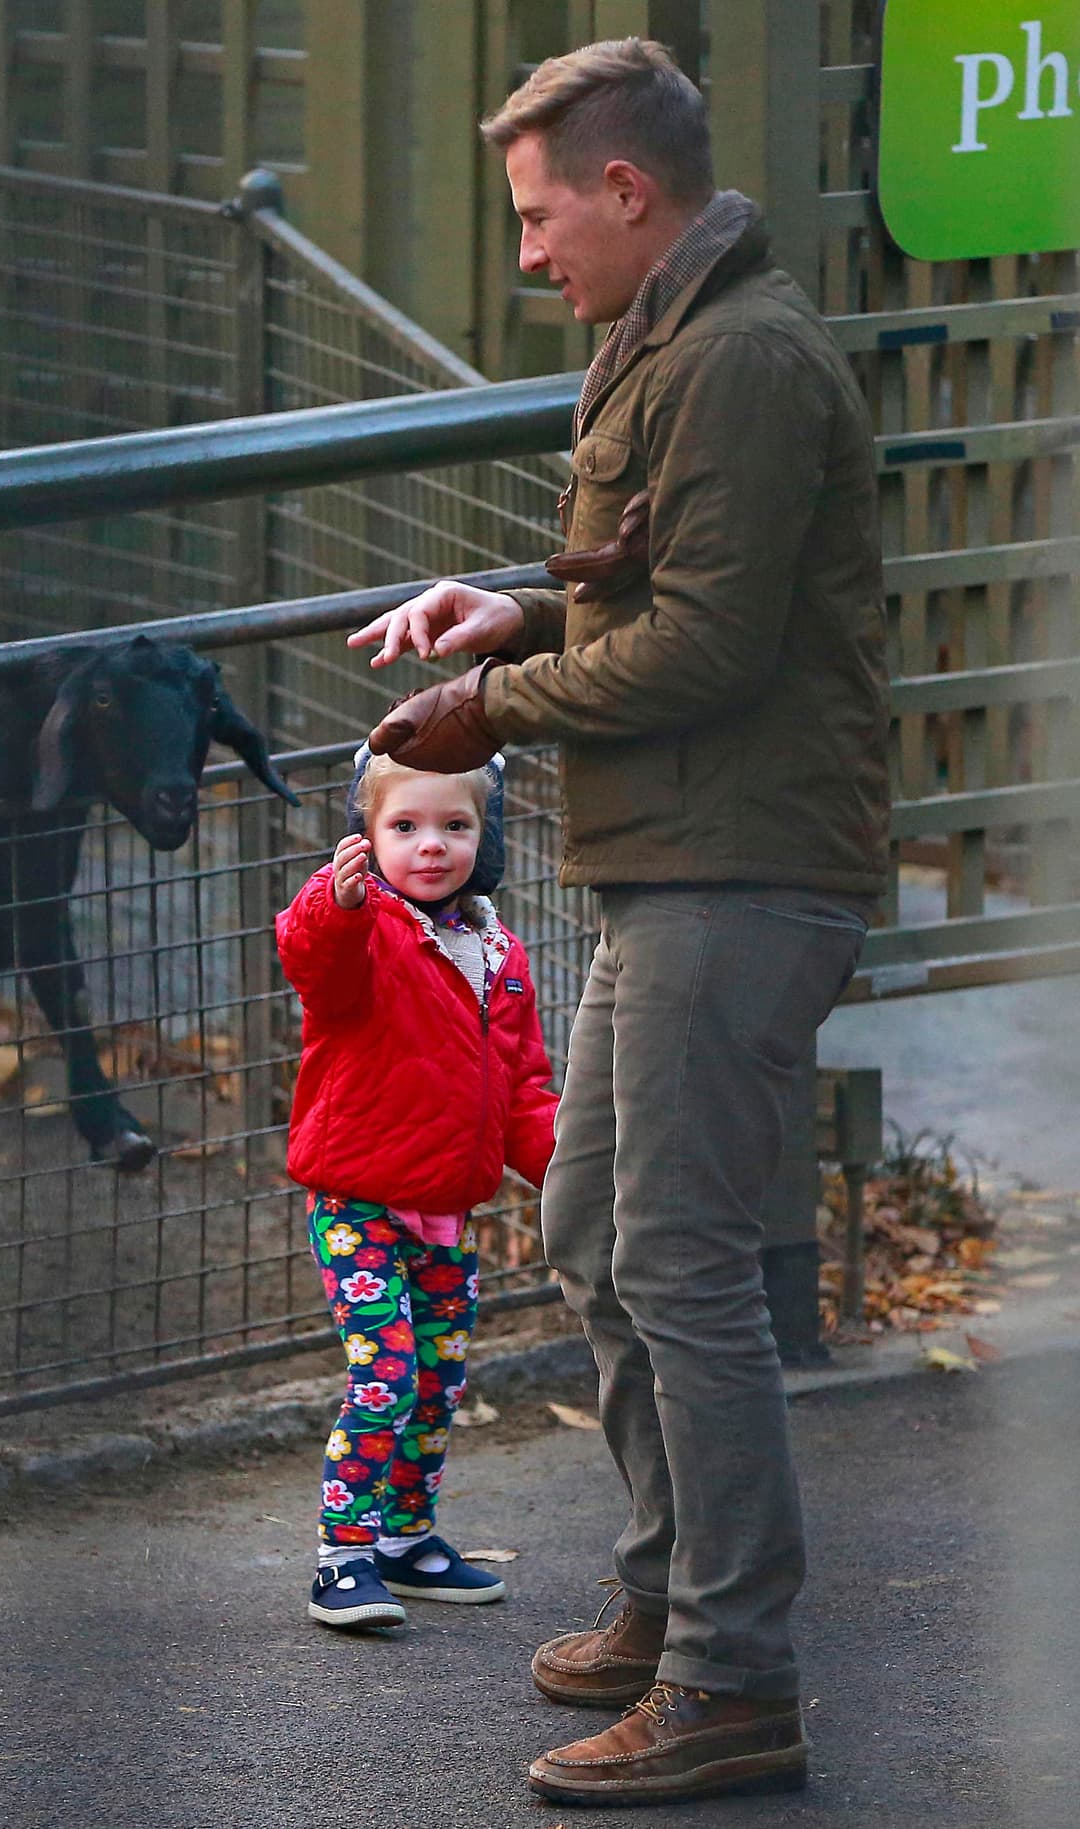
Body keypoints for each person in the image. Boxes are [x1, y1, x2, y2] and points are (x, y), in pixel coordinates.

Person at [346, 37, 890, 1808]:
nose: (527, 251)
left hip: (743, 870)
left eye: (538, 214)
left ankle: (734, 1677)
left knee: (681, 1264)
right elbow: (657, 589)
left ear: (628, 191)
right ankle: (673, 1599)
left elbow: (712, 648)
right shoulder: (668, 338)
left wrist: (488, 710)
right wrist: (512, 617)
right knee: (593, 1229)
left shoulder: (736, 359)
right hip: (680, 861)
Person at [275, 744, 559, 1631]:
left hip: (446, 1212)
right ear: (366, 833)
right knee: (386, 1373)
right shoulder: (364, 928)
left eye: (455, 825)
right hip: (357, 1202)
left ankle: (406, 1538)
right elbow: (313, 962)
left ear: (484, 834)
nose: (430, 844)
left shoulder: (498, 952)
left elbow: (524, 1086)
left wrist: (569, 1172)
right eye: (404, 825)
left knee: (437, 1380)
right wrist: (336, 902)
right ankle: (342, 1556)